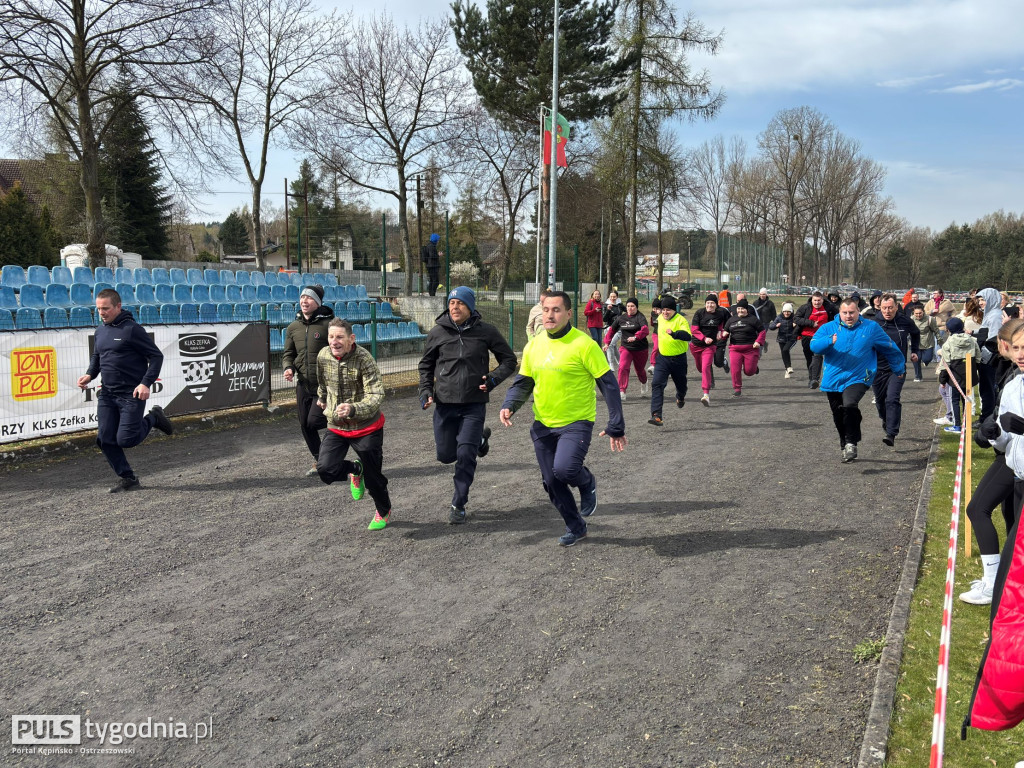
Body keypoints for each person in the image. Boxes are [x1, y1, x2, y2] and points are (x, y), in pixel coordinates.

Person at [499, 292, 626, 546]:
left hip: (576, 422)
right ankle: (576, 527)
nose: (549, 315)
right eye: (546, 309)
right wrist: (509, 404)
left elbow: (608, 384)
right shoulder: (534, 345)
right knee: (552, 482)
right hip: (543, 423)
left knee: (565, 469)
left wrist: (616, 424)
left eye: (556, 310)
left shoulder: (584, 344)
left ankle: (587, 481)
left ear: (569, 314)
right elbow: (523, 382)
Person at [418, 287, 517, 524]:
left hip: (473, 404)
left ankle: (458, 503)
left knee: (465, 455)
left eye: (460, 303)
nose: (454, 307)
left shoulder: (486, 332)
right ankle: (480, 440)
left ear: (470, 306)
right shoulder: (437, 333)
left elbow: (509, 360)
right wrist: (425, 391)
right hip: (445, 404)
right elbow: (425, 366)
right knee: (445, 455)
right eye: (451, 302)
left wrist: (493, 379)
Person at [77, 288, 173, 492]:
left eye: (106, 308)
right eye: (98, 309)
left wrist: (146, 383)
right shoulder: (100, 331)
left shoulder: (132, 330)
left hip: (132, 393)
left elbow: (156, 356)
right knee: (105, 439)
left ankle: (154, 418)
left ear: (118, 306)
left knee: (126, 440)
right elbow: (98, 357)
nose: (101, 313)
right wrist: (89, 375)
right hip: (108, 394)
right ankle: (128, 478)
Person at [960, 318, 1024, 604]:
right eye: (1017, 347)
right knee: (990, 514)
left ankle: (998, 584)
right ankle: (995, 582)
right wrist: (992, 433)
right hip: (1016, 467)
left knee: (989, 515)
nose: (1020, 354)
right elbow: (1005, 435)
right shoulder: (1014, 383)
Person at [315, 318, 392, 530]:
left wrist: (353, 408)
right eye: (331, 337)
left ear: (351, 339)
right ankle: (354, 470)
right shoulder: (323, 356)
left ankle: (383, 511)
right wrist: (322, 397)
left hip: (366, 426)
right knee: (325, 469)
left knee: (374, 477)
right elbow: (322, 382)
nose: (334, 341)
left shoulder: (364, 359)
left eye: (339, 337)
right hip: (337, 425)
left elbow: (376, 394)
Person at [810, 297, 905, 463]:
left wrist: (898, 368)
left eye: (852, 312)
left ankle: (851, 442)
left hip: (860, 375)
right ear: (839, 313)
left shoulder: (871, 327)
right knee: (838, 413)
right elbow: (814, 346)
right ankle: (845, 443)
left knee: (849, 404)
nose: (848, 316)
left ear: (858, 312)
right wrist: (828, 341)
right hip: (833, 378)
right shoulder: (828, 328)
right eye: (845, 313)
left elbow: (889, 348)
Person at [282, 284, 335, 476]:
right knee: (304, 424)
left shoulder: (329, 324)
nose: (304, 301)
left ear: (318, 302)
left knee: (314, 422)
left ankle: (337, 435)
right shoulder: (293, 327)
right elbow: (289, 353)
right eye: (303, 297)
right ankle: (321, 460)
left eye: (309, 298)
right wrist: (288, 367)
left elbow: (340, 350)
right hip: (303, 383)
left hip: (324, 384)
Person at [869, 293, 919, 447]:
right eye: (884, 308)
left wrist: (914, 350)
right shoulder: (873, 323)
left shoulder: (904, 321)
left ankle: (891, 433)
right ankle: (886, 419)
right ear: (880, 308)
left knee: (892, 398)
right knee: (880, 402)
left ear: (897, 307)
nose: (887, 311)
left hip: (896, 368)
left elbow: (916, 333)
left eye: (891, 308)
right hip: (877, 369)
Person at [648, 294, 691, 426]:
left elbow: (688, 336)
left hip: (679, 359)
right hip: (663, 358)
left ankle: (680, 396)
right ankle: (656, 415)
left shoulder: (681, 320)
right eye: (663, 309)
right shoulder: (660, 318)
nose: (665, 312)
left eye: (668, 310)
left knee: (681, 385)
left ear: (674, 310)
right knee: (657, 384)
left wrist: (674, 334)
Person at [938, 317, 981, 434]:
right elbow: (978, 356)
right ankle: (966, 424)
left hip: (955, 376)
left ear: (949, 329)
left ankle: (957, 425)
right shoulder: (972, 340)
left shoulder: (948, 343)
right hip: (969, 374)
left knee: (954, 400)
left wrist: (942, 380)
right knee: (966, 399)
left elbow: (945, 363)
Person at [603, 297, 649, 399]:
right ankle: (622, 391)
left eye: (632, 306)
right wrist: (607, 343)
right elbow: (611, 330)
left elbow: (645, 330)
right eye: (628, 306)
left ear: (636, 307)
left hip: (640, 349)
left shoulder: (640, 317)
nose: (630, 308)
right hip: (626, 347)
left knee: (640, 370)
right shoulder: (621, 318)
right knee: (623, 367)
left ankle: (644, 382)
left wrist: (636, 337)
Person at [690, 293, 730, 405]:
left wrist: (720, 331)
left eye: (712, 303)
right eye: (708, 303)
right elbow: (694, 330)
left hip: (710, 346)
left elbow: (722, 325)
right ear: (705, 304)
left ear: (716, 304)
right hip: (696, 345)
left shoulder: (720, 314)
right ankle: (706, 390)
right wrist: (704, 338)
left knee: (706, 367)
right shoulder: (699, 313)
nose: (710, 305)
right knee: (700, 368)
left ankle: (706, 395)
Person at [721, 298, 766, 396]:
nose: (740, 311)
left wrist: (758, 341)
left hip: (750, 349)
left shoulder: (753, 319)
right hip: (735, 349)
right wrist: (724, 334)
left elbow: (762, 331)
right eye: (738, 309)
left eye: (743, 309)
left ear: (747, 309)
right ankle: (737, 388)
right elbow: (726, 331)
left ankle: (754, 368)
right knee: (735, 369)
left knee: (749, 372)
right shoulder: (731, 320)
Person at [794, 291, 837, 389]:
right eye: (815, 300)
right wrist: (810, 323)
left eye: (819, 300)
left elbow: (838, 317)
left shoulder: (829, 308)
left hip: (822, 337)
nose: (817, 303)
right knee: (809, 359)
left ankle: (815, 379)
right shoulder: (805, 308)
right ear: (812, 300)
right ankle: (811, 379)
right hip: (807, 336)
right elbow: (796, 319)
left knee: (817, 356)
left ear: (822, 300)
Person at [977, 287, 1004, 422]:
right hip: (985, 357)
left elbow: (994, 341)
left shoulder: (995, 316)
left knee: (988, 389)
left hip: (990, 360)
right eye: (980, 300)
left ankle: (987, 419)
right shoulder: (989, 314)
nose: (981, 302)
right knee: (986, 389)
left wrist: (984, 357)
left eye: (983, 299)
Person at [769, 302, 798, 378]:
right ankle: (788, 369)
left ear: (791, 312)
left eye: (788, 311)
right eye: (785, 311)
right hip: (781, 338)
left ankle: (788, 367)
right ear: (782, 311)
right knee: (784, 353)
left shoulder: (795, 318)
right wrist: (776, 325)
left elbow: (801, 326)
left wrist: (796, 326)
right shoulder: (779, 317)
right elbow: (771, 326)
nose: (786, 313)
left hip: (792, 338)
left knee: (785, 350)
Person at [910, 306, 938, 381]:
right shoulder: (911, 320)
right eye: (916, 313)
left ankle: (925, 361)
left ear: (923, 312)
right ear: (913, 313)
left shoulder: (930, 319)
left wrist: (939, 340)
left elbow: (936, 330)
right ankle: (918, 376)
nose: (918, 315)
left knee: (927, 359)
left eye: (920, 313)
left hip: (928, 342)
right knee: (916, 360)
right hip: (915, 343)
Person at [602, 290, 624, 372]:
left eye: (614, 296)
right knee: (613, 346)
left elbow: (629, 310)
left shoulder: (620, 305)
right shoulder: (606, 305)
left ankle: (611, 364)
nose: (613, 298)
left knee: (610, 345)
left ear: (617, 297)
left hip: (618, 328)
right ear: (609, 297)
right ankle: (620, 362)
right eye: (611, 296)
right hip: (608, 328)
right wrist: (608, 310)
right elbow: (604, 319)